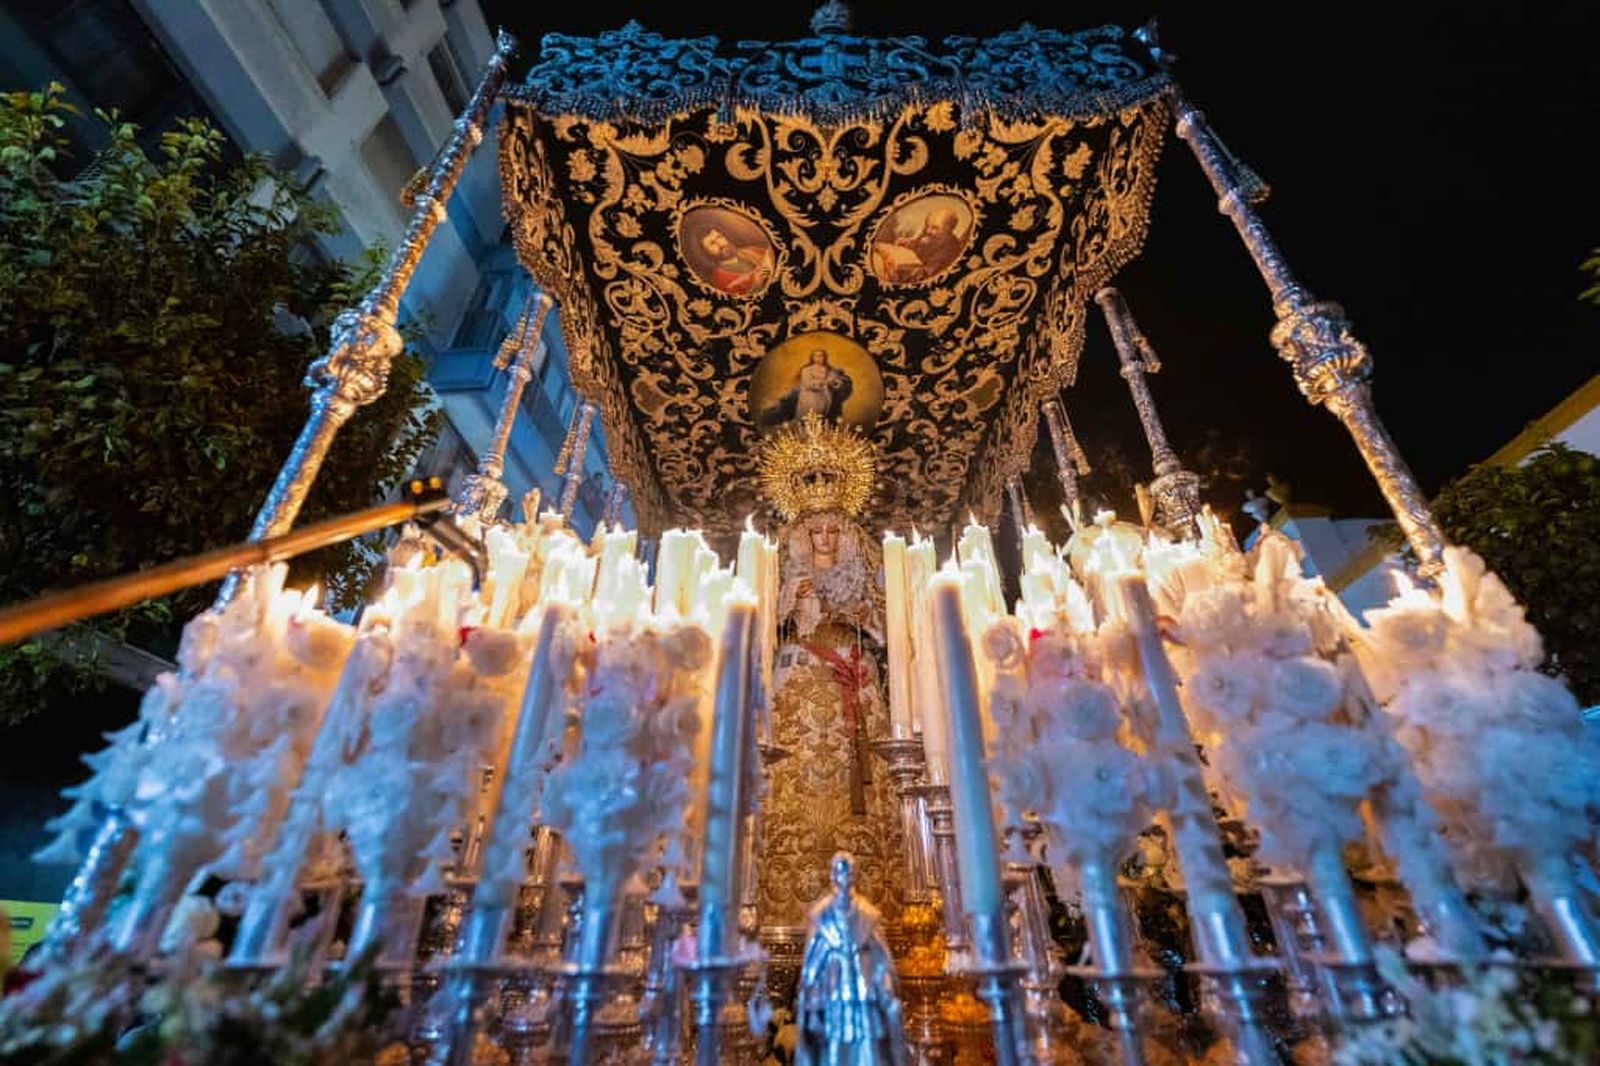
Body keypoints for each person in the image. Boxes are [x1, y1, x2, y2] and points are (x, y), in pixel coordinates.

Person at [792, 853, 907, 1066]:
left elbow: (880, 957)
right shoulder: (822, 915)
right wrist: (812, 995)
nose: (844, 878)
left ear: (855, 876)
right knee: (833, 1045)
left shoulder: (867, 914)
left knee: (867, 1042)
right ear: (832, 876)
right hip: (832, 990)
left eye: (849, 873)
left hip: (863, 990)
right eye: (839, 872)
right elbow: (813, 961)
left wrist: (885, 986)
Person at [759, 349, 853, 427]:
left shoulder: (829, 370)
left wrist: (836, 383)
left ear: (825, 357)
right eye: (816, 356)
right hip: (810, 398)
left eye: (821, 356)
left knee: (821, 420)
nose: (819, 358)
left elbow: (836, 383)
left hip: (824, 398)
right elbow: (807, 384)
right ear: (812, 357)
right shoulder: (807, 370)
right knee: (806, 420)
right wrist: (823, 382)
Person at [696, 225, 774, 295]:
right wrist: (758, 279)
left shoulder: (749, 251)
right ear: (707, 252)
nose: (720, 244)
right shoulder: (719, 277)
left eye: (719, 237)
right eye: (712, 243)